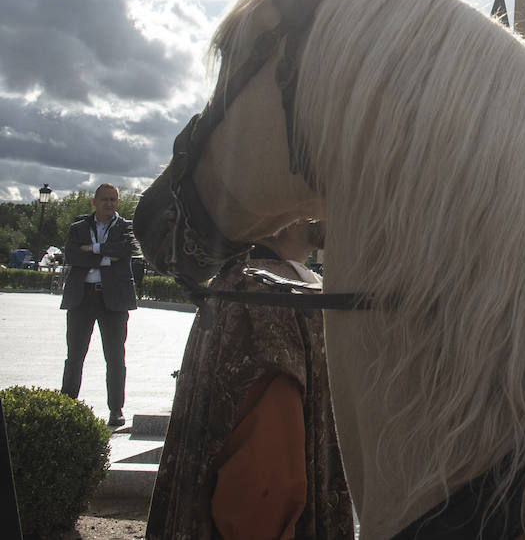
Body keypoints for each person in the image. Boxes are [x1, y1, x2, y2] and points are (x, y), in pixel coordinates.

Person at [146, 219, 352, 540]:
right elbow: (265, 481)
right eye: (311, 194)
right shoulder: (271, 298)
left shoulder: (248, 285)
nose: (327, 207)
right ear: (279, 217)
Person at [60, 183, 138, 428]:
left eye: (113, 199)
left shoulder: (127, 228)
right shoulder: (78, 227)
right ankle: (66, 404)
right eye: (104, 199)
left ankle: (116, 409)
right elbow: (72, 255)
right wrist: (106, 256)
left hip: (113, 301)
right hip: (82, 298)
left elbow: (124, 251)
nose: (109, 203)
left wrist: (91, 250)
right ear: (94, 201)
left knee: (115, 357)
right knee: (75, 355)